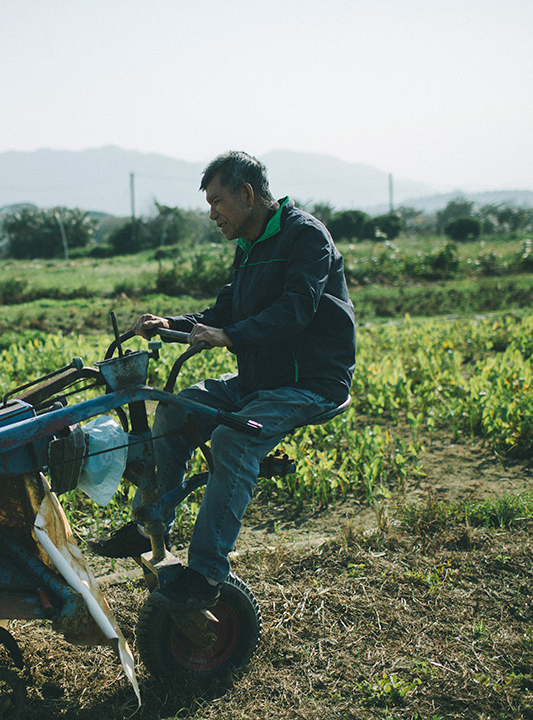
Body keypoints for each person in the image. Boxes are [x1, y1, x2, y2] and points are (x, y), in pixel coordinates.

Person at [88, 150, 356, 611]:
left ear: (247, 194)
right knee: (176, 408)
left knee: (234, 442)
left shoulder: (304, 237)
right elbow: (221, 317)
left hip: (308, 381)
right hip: (259, 376)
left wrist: (229, 335)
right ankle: (147, 523)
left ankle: (207, 573)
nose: (212, 214)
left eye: (217, 202)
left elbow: (296, 309)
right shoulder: (248, 248)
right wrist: (168, 323)